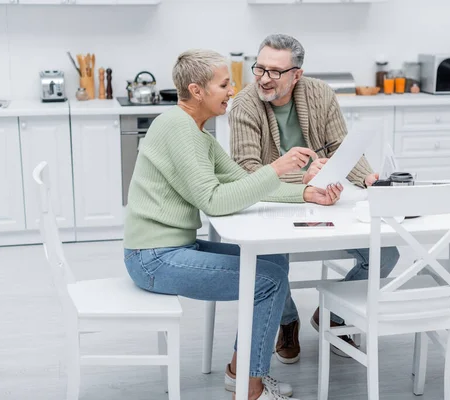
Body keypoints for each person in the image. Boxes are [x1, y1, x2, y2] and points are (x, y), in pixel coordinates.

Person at [123, 49, 344, 400]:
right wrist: (279, 167)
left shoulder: (198, 134)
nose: (232, 90)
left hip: (172, 248)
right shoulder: (178, 129)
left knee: (274, 261)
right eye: (224, 84)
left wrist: (306, 193)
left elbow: (243, 184)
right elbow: (214, 200)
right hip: (153, 257)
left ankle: (239, 372)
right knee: (268, 281)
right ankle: (251, 389)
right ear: (197, 91)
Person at [229, 34, 401, 363]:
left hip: (328, 195)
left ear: (297, 74)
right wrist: (305, 181)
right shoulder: (244, 104)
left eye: (275, 72)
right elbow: (247, 171)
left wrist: (366, 178)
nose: (265, 78)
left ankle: (333, 314)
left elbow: (341, 146)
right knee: (272, 262)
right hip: (273, 200)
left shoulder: (320, 93)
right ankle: (287, 320)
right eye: (260, 68)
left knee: (386, 254)